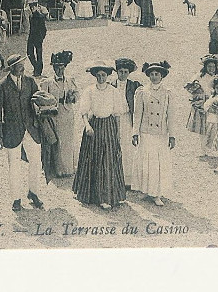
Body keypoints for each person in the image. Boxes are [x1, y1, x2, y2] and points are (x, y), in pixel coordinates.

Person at [0, 53, 45, 211]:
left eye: (23, 63)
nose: (22, 66)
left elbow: (39, 99)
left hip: (31, 130)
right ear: (12, 68)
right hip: (11, 132)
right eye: (19, 64)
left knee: (36, 162)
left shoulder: (30, 81)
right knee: (14, 166)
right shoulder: (1, 86)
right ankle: (16, 199)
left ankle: (34, 193)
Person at [73, 60, 127, 209]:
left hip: (109, 126)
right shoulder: (89, 91)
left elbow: (117, 115)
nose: (101, 78)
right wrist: (87, 126)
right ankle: (92, 195)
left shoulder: (114, 91)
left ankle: (109, 196)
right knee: (93, 159)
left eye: (104, 75)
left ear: (108, 76)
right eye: (98, 75)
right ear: (95, 76)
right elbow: (84, 112)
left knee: (108, 160)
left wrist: (117, 133)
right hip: (94, 127)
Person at [131, 61, 177, 205]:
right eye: (152, 74)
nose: (154, 77)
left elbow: (171, 115)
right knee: (146, 162)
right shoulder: (142, 92)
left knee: (158, 163)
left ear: (162, 75)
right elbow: (137, 114)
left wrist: (172, 135)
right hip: (146, 132)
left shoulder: (168, 93)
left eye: (157, 74)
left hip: (160, 133)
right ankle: (145, 190)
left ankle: (156, 193)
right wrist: (135, 133)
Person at [43, 51, 79, 178]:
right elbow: (42, 98)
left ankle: (68, 168)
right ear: (53, 68)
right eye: (57, 68)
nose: (59, 70)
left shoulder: (70, 80)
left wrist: (72, 97)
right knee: (56, 140)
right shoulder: (47, 82)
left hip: (67, 113)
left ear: (65, 67)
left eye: (61, 67)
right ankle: (57, 169)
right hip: (54, 114)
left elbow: (77, 95)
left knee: (68, 141)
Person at [113, 58, 141, 190]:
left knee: (128, 148)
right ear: (117, 72)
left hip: (128, 118)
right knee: (114, 146)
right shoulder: (111, 85)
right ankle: (114, 178)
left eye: (125, 72)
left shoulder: (134, 86)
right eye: (120, 71)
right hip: (114, 119)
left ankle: (128, 179)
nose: (123, 74)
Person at [187, 54, 218, 137]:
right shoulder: (199, 76)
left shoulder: (217, 77)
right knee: (203, 128)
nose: (211, 69)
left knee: (213, 127)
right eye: (209, 66)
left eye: (213, 67)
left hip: (213, 103)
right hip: (202, 103)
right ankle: (204, 148)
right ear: (205, 67)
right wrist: (197, 90)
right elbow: (189, 86)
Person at [26, 0, 48, 77]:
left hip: (38, 37)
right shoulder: (31, 16)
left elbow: (44, 29)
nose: (32, 9)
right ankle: (36, 67)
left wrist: (41, 38)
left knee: (39, 55)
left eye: (33, 7)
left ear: (36, 7)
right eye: (31, 7)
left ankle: (38, 71)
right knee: (29, 53)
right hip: (31, 37)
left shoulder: (40, 17)